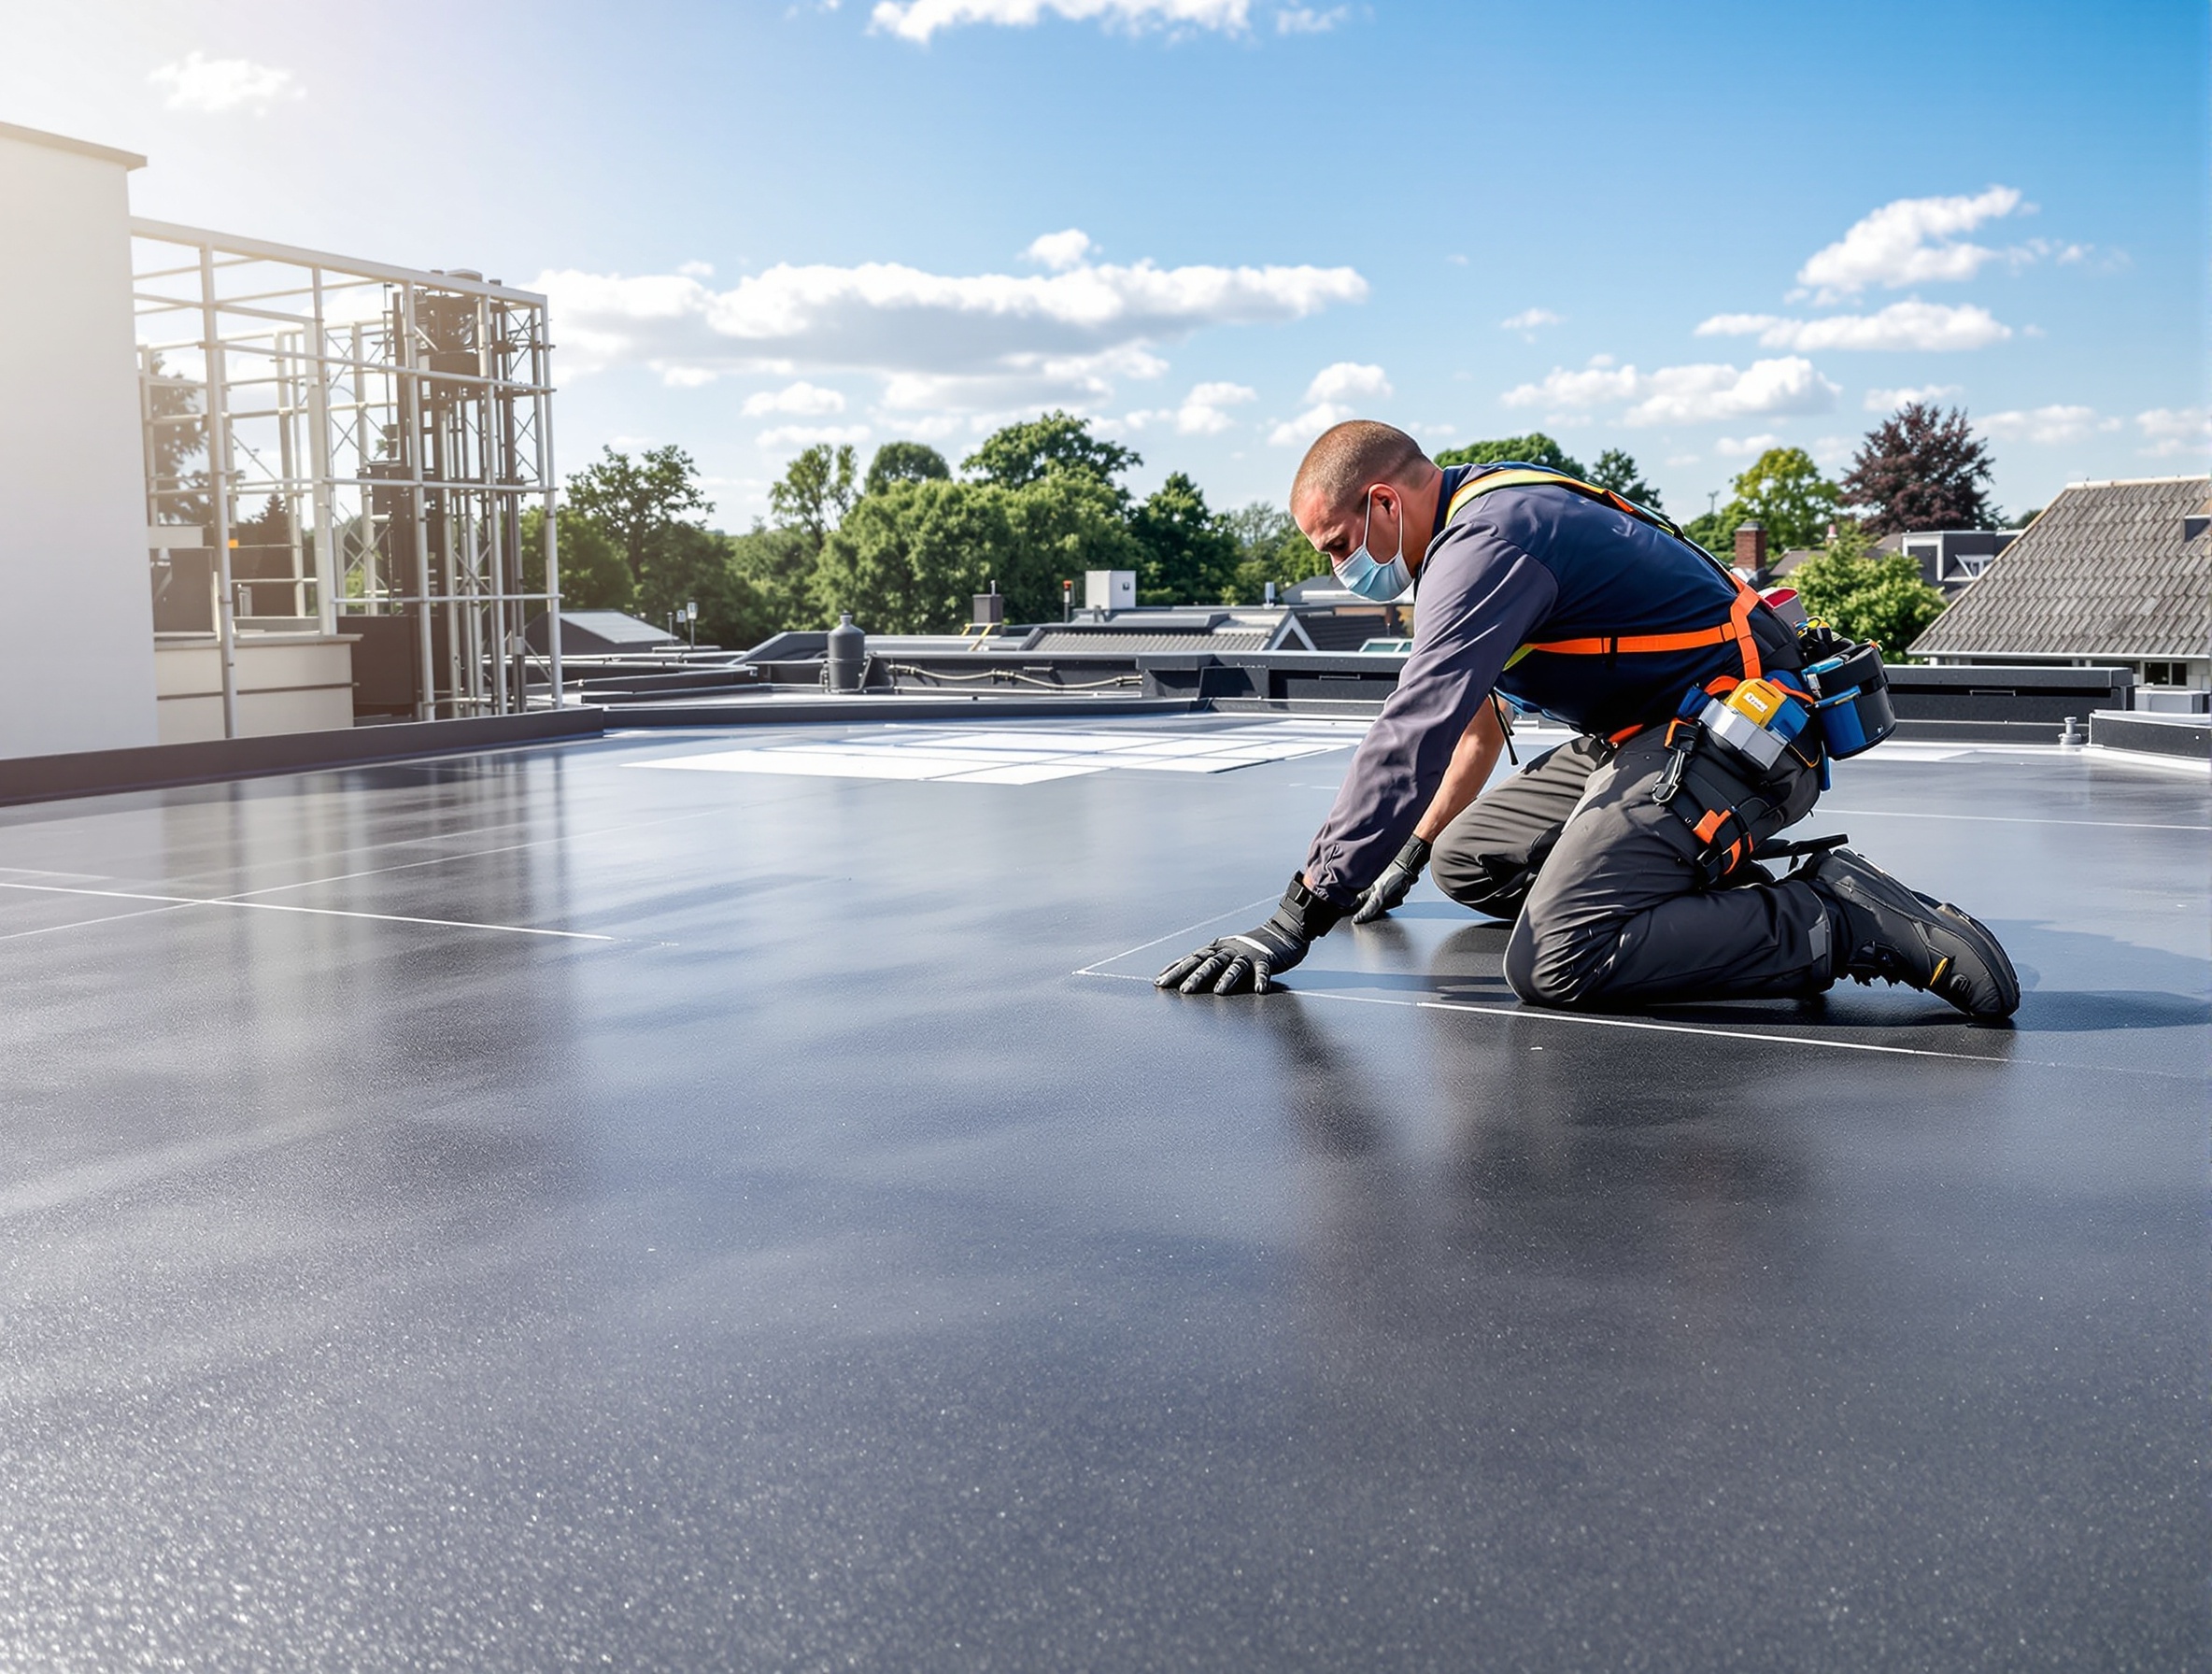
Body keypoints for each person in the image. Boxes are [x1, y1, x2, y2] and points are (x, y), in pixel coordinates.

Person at [1155, 420, 2019, 1021]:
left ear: (1383, 502)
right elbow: (1475, 725)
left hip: (1743, 740)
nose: (1343, 568)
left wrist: (1300, 912)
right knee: (1471, 864)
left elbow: (1412, 730)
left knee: (1559, 960)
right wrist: (1410, 855)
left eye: (1338, 544)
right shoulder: (1482, 510)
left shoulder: (1484, 546)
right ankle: (1673, 885)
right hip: (1652, 736)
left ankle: (1836, 916)